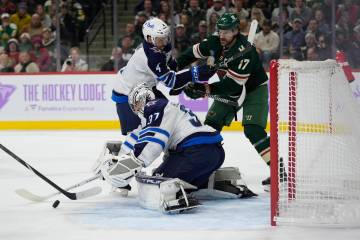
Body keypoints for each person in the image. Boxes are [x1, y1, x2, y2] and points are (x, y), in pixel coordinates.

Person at [95, 83, 256, 212]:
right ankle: (221, 184)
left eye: (136, 104)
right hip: (214, 153)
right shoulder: (164, 108)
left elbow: (153, 141)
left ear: (140, 100)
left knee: (159, 178)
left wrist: (134, 162)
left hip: (195, 153)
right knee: (183, 178)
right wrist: (116, 160)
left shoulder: (155, 107)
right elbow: (137, 136)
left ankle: (176, 196)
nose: (136, 109)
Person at [176, 13, 271, 190]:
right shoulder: (214, 42)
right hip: (231, 84)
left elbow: (232, 88)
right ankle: (203, 169)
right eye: (220, 31)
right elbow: (191, 54)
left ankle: (281, 173)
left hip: (253, 88)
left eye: (227, 32)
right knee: (210, 127)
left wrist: (204, 89)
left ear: (236, 31)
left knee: (254, 130)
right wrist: (172, 68)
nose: (222, 35)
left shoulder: (245, 52)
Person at [112, 17, 214, 136]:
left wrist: (184, 83)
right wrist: (197, 72)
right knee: (136, 136)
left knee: (167, 116)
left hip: (146, 89)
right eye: (161, 39)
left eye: (166, 38)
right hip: (127, 96)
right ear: (149, 38)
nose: (165, 42)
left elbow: (173, 68)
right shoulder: (151, 56)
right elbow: (171, 81)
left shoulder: (160, 46)